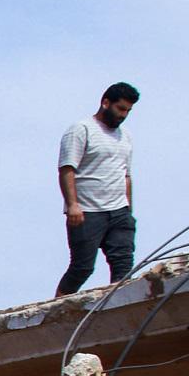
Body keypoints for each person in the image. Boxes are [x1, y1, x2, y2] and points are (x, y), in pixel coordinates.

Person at [56, 82, 138, 296]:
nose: (123, 115)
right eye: (120, 109)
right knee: (82, 268)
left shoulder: (125, 136)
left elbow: (126, 174)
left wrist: (128, 209)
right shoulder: (81, 130)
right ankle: (57, 310)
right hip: (87, 212)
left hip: (119, 210)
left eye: (128, 111)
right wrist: (73, 205)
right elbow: (67, 169)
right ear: (105, 103)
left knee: (123, 264)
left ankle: (118, 307)